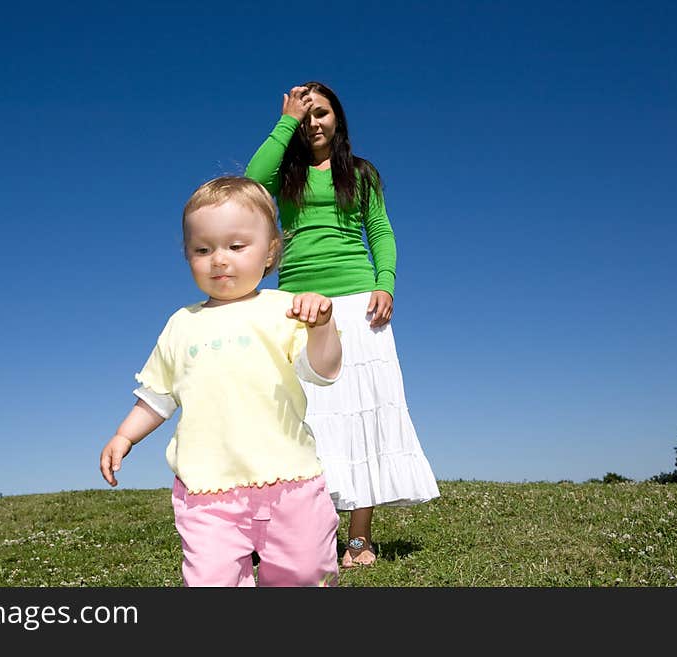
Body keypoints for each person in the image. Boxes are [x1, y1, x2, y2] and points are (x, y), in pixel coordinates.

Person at [100, 176, 343, 587]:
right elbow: (158, 396)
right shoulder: (181, 324)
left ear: (270, 252)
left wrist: (322, 327)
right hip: (207, 489)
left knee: (304, 575)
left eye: (236, 246)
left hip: (289, 482)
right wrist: (124, 436)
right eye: (203, 249)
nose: (219, 259)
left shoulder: (286, 309)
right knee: (211, 581)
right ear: (187, 256)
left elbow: (321, 371)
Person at [245, 81, 440, 568]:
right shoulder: (284, 177)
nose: (314, 122)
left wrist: (386, 284)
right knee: (299, 416)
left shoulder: (361, 173)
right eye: (305, 114)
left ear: (339, 119)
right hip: (294, 304)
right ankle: (300, 532)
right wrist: (284, 120)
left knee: (364, 413)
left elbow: (380, 231)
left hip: (357, 303)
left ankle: (358, 539)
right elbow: (250, 181)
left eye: (322, 112)